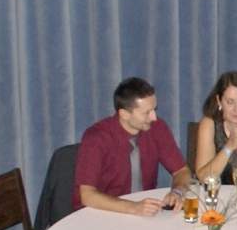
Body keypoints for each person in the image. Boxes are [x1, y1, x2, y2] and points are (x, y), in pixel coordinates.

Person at [75, 77, 188, 215]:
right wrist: (133, 207)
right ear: (124, 114)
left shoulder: (157, 128)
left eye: (154, 110)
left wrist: (177, 191)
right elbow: (87, 196)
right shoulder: (96, 138)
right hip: (101, 212)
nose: (154, 117)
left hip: (144, 211)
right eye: (147, 112)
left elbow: (182, 171)